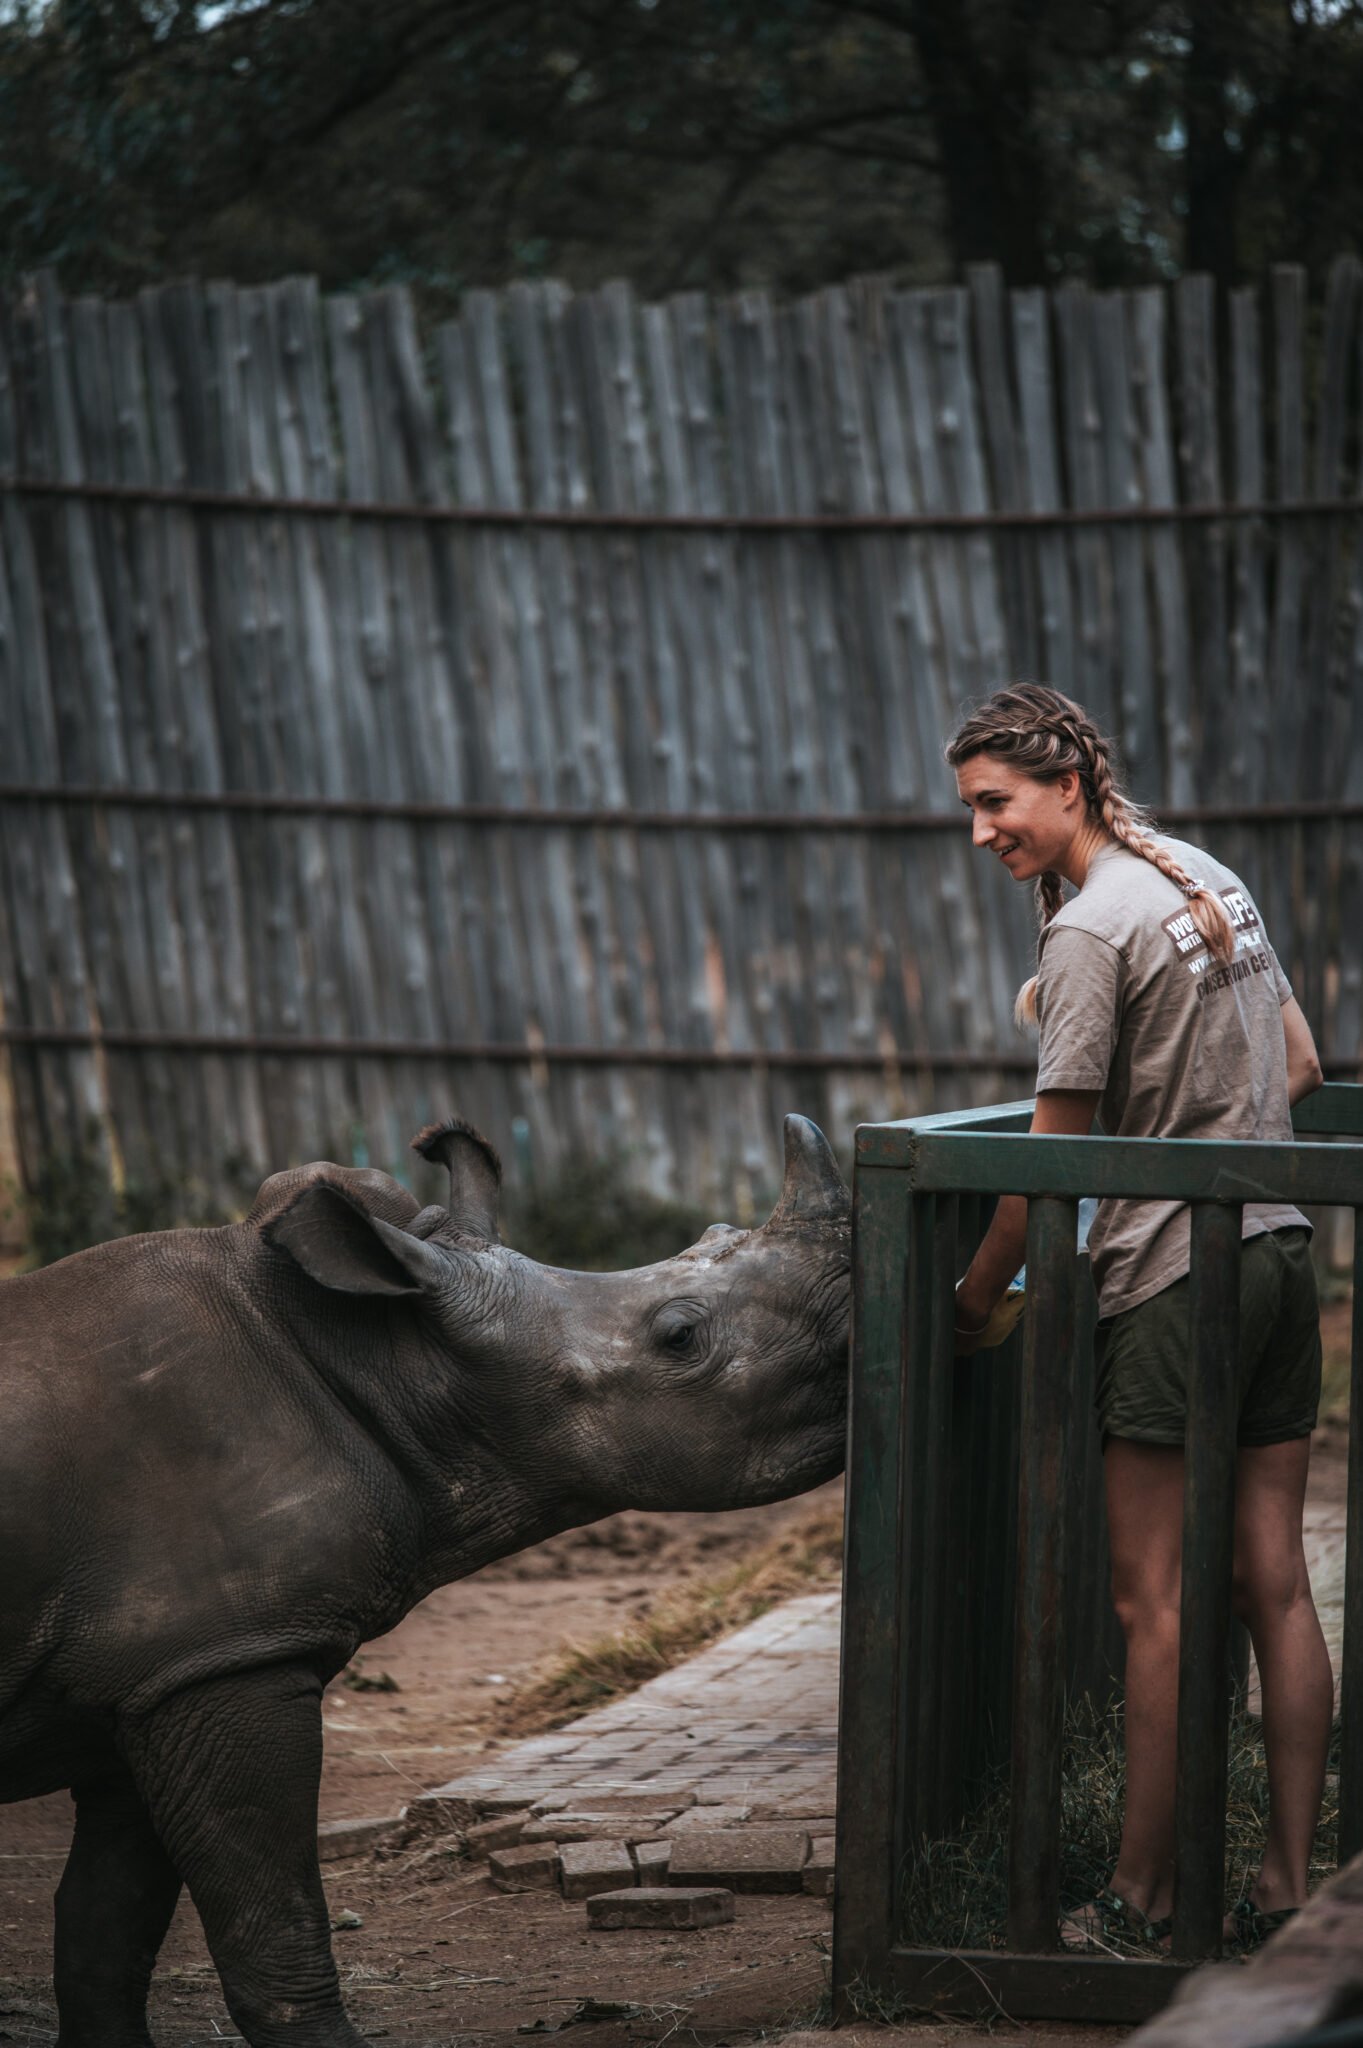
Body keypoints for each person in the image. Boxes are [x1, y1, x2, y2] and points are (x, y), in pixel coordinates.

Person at [946, 683, 1331, 1954]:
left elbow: (1051, 1173)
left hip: (1170, 1278)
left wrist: (976, 1291)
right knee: (1270, 1579)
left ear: (1065, 786)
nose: (982, 831)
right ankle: (1284, 1886)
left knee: (1150, 1600)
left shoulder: (1088, 932)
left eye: (995, 802)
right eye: (968, 808)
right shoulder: (1206, 875)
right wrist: (1203, 1120)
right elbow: (1302, 1066)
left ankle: (1143, 1897)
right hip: (1277, 1257)